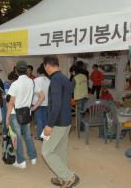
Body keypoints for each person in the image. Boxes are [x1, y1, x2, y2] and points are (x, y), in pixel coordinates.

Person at [42, 56, 80, 188]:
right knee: (59, 151)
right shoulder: (64, 78)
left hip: (57, 123)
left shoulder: (55, 80)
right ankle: (62, 178)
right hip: (66, 120)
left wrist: (49, 125)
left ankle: (69, 177)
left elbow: (56, 105)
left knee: (46, 151)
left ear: (47, 66)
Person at [6, 60, 37, 169]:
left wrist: (7, 117)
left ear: (16, 70)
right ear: (26, 70)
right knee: (28, 136)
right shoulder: (31, 82)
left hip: (15, 114)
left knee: (17, 137)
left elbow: (11, 103)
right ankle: (33, 157)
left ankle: (21, 161)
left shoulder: (15, 84)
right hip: (27, 113)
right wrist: (35, 106)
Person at [31, 64, 50, 141]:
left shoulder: (35, 80)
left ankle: (39, 136)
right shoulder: (49, 81)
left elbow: (32, 92)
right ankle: (45, 137)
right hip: (47, 103)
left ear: (38, 72)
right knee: (45, 120)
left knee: (39, 120)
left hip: (37, 103)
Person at [72, 65, 88, 132]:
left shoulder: (75, 78)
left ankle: (80, 128)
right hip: (85, 96)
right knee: (83, 112)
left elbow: (71, 88)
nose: (71, 74)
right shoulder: (84, 76)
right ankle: (83, 127)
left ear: (74, 71)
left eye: (71, 72)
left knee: (79, 113)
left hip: (79, 97)